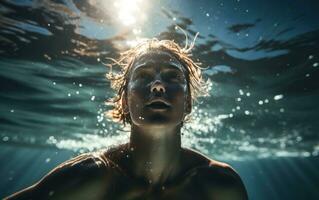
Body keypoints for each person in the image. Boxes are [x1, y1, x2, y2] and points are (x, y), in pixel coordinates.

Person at [6, 39, 248, 200]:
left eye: (172, 76)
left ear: (188, 103)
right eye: (143, 76)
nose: (157, 86)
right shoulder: (89, 177)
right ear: (123, 101)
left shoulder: (220, 187)